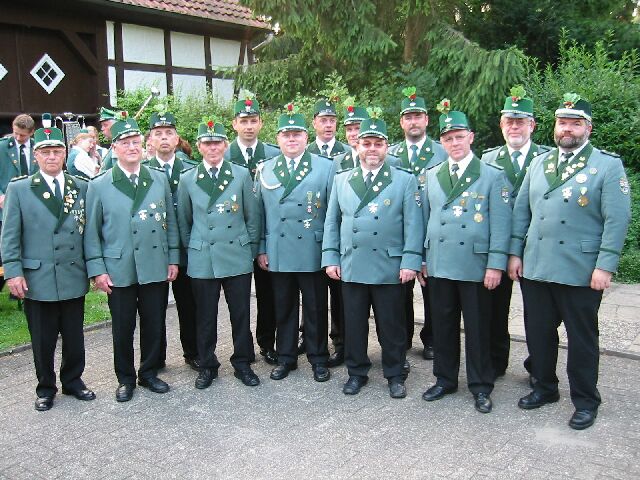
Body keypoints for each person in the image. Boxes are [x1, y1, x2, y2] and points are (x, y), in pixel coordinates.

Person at [509, 93, 631, 430]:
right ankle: (544, 388)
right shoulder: (540, 163)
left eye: (575, 124)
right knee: (538, 333)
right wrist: (515, 253)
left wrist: (605, 265)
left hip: (581, 270)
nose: (567, 129)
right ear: (555, 127)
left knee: (581, 339)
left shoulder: (607, 166)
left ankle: (586, 400)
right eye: (563, 123)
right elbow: (521, 213)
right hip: (537, 266)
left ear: (588, 128)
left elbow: (617, 219)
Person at [322, 110, 423, 398]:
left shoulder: (403, 180)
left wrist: (411, 260)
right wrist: (330, 257)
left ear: (386, 146)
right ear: (357, 146)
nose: (372, 149)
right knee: (354, 325)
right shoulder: (342, 179)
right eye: (366, 143)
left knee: (391, 325)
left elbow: (413, 224)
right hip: (352, 263)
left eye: (378, 144)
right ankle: (357, 373)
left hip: (389, 265)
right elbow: (332, 222)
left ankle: (395, 374)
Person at [419, 100, 511, 414]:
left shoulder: (491, 175)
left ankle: (481, 385)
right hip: (440, 262)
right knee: (443, 325)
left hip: (476, 265)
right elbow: (424, 220)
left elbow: (501, 224)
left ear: (471, 137)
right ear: (442, 142)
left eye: (459, 136)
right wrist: (422, 259)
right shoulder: (432, 175)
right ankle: (444, 379)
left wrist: (496, 263)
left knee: (478, 329)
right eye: (448, 138)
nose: (454, 143)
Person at [84, 113, 180, 402]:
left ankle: (149, 373)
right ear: (114, 148)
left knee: (154, 322)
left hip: (154, 264)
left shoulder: (158, 179)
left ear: (144, 145)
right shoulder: (100, 184)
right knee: (123, 327)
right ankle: (125, 378)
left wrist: (173, 258)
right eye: (125, 143)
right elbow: (91, 233)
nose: (131, 147)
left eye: (135, 142)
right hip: (119, 268)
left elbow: (171, 222)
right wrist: (98, 270)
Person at [1, 123, 95, 411]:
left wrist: (93, 269)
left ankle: (73, 381)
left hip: (72, 272)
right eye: (45, 152)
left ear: (65, 154)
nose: (51, 156)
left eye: (56, 151)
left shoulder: (81, 187)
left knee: (74, 335)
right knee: (42, 339)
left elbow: (89, 234)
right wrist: (13, 272)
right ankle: (45, 387)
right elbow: (9, 235)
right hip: (37, 276)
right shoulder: (19, 189)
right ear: (37, 155)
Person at [177, 119, 261, 388]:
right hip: (204, 257)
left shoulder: (240, 175)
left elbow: (252, 217)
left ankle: (243, 363)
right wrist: (195, 248)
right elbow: (184, 222)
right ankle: (207, 365)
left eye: (217, 143)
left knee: (240, 314)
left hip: (236, 254)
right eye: (207, 143)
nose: (212, 148)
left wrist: (248, 249)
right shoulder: (188, 178)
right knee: (205, 316)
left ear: (225, 145)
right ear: (199, 146)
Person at [255, 103, 332, 383]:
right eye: (286, 135)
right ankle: (286, 357)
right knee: (284, 307)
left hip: (312, 249)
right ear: (277, 139)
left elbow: (332, 214)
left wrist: (330, 251)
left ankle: (318, 358)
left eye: (296, 134)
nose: (291, 139)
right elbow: (260, 214)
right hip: (279, 250)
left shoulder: (325, 167)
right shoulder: (266, 169)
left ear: (306, 137)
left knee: (315, 308)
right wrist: (261, 248)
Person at [481, 86, 550, 380]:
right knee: (495, 309)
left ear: (531, 125)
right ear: (501, 125)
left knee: (539, 314)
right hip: (497, 246)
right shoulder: (487, 159)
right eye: (509, 121)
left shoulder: (547, 158)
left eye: (520, 122)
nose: (514, 127)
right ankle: (496, 362)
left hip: (536, 246)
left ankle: (538, 366)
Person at [388, 87, 447, 362]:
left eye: (418, 116)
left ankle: (432, 340)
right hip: (400, 233)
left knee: (433, 291)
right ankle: (403, 338)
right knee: (400, 291)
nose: (413, 122)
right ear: (402, 122)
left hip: (434, 229)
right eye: (408, 117)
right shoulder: (391, 154)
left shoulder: (442, 152)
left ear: (426, 120)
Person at [224, 94, 281, 365]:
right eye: (243, 121)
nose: (249, 126)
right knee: (238, 299)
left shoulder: (273, 155)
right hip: (234, 237)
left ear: (261, 123)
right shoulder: (224, 155)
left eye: (253, 120)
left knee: (268, 295)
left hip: (265, 234)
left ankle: (267, 343)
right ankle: (242, 348)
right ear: (234, 124)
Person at [144, 109, 199, 370]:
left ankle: (193, 352)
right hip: (155, 248)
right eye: (158, 133)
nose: (164, 138)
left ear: (177, 139)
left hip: (185, 250)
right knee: (153, 308)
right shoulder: (143, 172)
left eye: (168, 133)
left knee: (189, 305)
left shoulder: (191, 169)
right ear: (150, 140)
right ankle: (156, 358)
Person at [324, 98, 370, 368]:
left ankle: (392, 351)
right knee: (341, 301)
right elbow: (332, 208)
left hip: (375, 245)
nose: (353, 133)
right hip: (346, 244)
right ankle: (341, 344)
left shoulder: (389, 158)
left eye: (358, 128)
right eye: (350, 129)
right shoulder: (337, 162)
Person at [0, 114, 39, 292]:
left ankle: (25, 286)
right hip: (5, 207)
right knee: (8, 245)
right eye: (15, 133)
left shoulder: (39, 148)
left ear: (31, 132)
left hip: (32, 208)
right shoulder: (2, 147)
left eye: (22, 135)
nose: (17, 137)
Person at [98, 107, 119, 171]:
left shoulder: (119, 146)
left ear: (115, 126)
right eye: (102, 125)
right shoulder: (114, 144)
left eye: (105, 125)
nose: (102, 129)